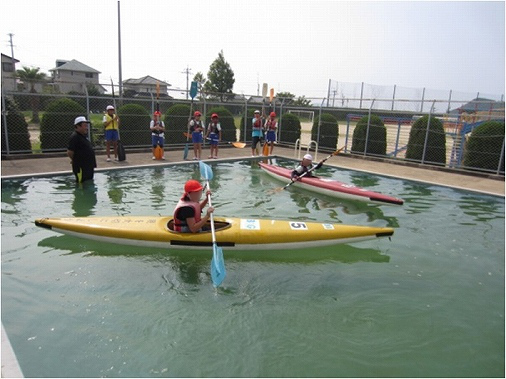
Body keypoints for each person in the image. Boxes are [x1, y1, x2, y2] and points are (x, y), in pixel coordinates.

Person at [67, 116, 97, 183]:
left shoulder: (82, 136)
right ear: (78, 126)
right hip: (81, 168)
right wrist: (75, 160)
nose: (86, 128)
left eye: (86, 126)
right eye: (85, 126)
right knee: (81, 185)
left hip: (88, 167)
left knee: (88, 184)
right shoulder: (74, 137)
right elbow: (69, 152)